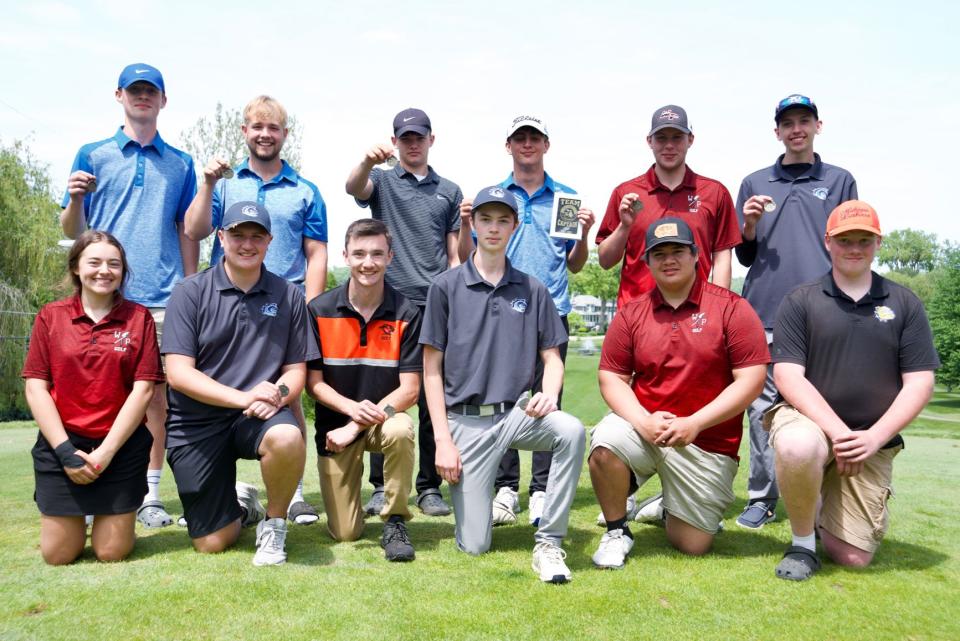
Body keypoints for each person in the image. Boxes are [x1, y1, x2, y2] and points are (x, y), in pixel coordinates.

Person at [420, 186, 586, 583]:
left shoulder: (533, 289)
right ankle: (482, 508)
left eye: (502, 220)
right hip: (466, 423)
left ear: (514, 226)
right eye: (485, 219)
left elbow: (552, 357)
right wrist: (442, 440)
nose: (493, 228)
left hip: (516, 414)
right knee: (476, 544)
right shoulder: (445, 287)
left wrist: (548, 392)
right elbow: (431, 370)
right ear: (473, 225)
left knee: (571, 430)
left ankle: (549, 543)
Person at [768, 201, 938, 581]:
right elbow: (788, 375)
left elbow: (920, 381)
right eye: (845, 239)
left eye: (865, 239)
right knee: (798, 446)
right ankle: (802, 544)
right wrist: (839, 433)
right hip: (810, 423)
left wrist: (873, 438)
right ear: (828, 241)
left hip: (870, 436)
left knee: (851, 557)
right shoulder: (801, 300)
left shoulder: (904, 303)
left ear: (878, 242)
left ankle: (826, 500)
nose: (855, 247)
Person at [60, 63, 198, 529]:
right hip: (101, 295)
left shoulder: (180, 163)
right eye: (135, 90)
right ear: (118, 95)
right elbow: (72, 232)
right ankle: (94, 481)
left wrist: (189, 286)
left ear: (163, 100)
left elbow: (186, 230)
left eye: (151, 91)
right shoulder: (92, 154)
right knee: (96, 396)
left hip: (159, 298)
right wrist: (76, 199)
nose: (143, 97)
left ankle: (151, 496)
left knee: (155, 399)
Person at [589, 217, 768, 569]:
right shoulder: (632, 313)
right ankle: (616, 531)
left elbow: (751, 380)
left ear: (695, 255)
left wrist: (696, 423)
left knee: (692, 544)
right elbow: (611, 377)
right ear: (647, 261)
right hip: (648, 430)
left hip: (705, 442)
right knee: (605, 441)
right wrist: (641, 421)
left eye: (677, 252)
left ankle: (669, 502)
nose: (668, 260)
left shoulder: (732, 307)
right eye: (659, 254)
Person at [184, 94, 329, 526]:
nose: (265, 134)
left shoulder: (306, 191)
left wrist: (310, 305)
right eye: (257, 127)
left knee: (291, 396)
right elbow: (194, 230)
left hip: (285, 304)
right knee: (220, 393)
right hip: (228, 302)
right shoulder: (226, 184)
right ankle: (228, 488)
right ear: (245, 132)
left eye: (274, 128)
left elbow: (316, 252)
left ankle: (295, 494)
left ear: (285, 134)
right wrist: (207, 183)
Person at [594, 104, 742, 521]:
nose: (669, 145)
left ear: (690, 140)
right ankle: (622, 496)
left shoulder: (713, 192)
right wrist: (624, 225)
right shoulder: (629, 191)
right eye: (662, 138)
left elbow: (722, 253)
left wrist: (719, 308)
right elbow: (606, 259)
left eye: (677, 137)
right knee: (630, 411)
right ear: (650, 142)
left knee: (694, 399)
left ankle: (679, 492)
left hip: (697, 316)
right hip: (638, 321)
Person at [458, 115, 595, 527]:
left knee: (547, 400)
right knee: (500, 395)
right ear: (509, 146)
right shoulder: (498, 197)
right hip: (502, 307)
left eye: (535, 138)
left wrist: (584, 236)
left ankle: (539, 490)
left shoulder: (565, 198)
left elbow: (574, 264)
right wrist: (467, 224)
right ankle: (505, 487)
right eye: (521, 138)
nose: (528, 144)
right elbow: (470, 253)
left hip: (552, 307)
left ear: (546, 145)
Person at [162, 202, 317, 566]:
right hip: (198, 420)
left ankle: (274, 524)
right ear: (220, 238)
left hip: (259, 415)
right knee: (214, 541)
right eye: (237, 235)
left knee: (287, 435)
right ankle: (242, 505)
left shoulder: (289, 295)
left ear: (269, 241)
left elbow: (296, 371)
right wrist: (244, 397)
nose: (247, 244)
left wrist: (278, 396)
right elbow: (179, 373)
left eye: (256, 236)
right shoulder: (189, 292)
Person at [734, 94, 859, 530]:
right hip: (764, 312)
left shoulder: (839, 180)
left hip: (823, 313)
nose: (796, 129)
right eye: (788, 123)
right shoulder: (754, 182)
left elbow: (850, 245)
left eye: (804, 120)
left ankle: (825, 500)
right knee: (762, 409)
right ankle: (762, 499)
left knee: (822, 406)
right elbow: (745, 256)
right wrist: (748, 225)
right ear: (777, 132)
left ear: (817, 126)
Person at [345, 107, 467, 517]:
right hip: (389, 301)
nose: (412, 143)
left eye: (420, 136)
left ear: (432, 139)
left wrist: (453, 296)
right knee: (385, 393)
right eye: (405, 137)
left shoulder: (448, 190)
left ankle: (429, 486)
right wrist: (366, 160)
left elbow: (455, 256)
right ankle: (380, 485)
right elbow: (352, 187)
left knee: (435, 396)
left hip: (434, 303)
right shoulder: (380, 180)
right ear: (395, 141)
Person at [23, 231, 163, 564]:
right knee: (58, 555)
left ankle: (112, 518)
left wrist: (106, 452)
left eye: (114, 264)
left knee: (110, 552)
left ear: (123, 271)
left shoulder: (138, 318)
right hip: (63, 445)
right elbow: (35, 386)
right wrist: (66, 452)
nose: (104, 271)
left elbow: (143, 390)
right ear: (75, 268)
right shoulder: (51, 316)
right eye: (94, 262)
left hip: (120, 447)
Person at [306, 219, 421, 562]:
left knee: (401, 428)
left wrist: (356, 423)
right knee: (345, 533)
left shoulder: (408, 312)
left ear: (390, 257)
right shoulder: (319, 310)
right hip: (333, 432)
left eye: (376, 253)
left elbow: (410, 390)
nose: (367, 262)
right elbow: (313, 384)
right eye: (358, 253)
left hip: (377, 424)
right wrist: (348, 412)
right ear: (345, 256)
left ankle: (395, 520)